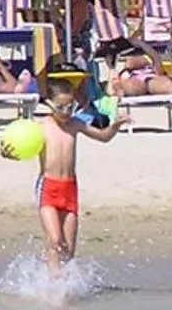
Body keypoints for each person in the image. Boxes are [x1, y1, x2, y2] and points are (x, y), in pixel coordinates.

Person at [13, 74, 121, 273]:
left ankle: (64, 283)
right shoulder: (40, 128)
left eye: (70, 107)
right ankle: (53, 282)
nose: (66, 112)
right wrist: (9, 152)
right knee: (55, 241)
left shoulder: (76, 124)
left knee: (69, 250)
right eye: (60, 107)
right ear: (49, 104)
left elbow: (104, 137)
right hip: (48, 188)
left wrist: (115, 126)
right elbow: (18, 148)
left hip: (70, 189)